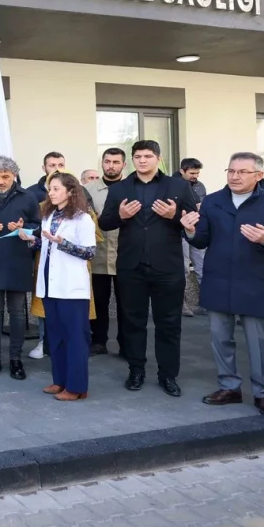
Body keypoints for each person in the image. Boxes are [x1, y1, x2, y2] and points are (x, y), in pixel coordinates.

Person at [181, 152, 264, 418]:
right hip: (218, 279)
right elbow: (202, 240)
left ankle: (262, 393)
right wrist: (190, 231)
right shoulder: (213, 201)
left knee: (259, 343)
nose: (235, 176)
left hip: (256, 282)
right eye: (231, 171)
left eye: (242, 172)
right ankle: (229, 386)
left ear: (259, 175)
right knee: (220, 339)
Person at [98, 140, 200, 397]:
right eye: (138, 156)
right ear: (132, 160)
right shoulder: (120, 188)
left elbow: (194, 222)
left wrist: (173, 216)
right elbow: (105, 222)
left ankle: (168, 375)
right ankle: (136, 370)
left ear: (158, 158)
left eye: (147, 156)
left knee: (169, 324)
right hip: (131, 266)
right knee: (133, 322)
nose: (142, 160)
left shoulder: (178, 186)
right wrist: (120, 216)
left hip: (167, 266)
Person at [30, 173, 96, 402]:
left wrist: (63, 243)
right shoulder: (48, 215)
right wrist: (31, 240)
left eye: (56, 189)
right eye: (50, 188)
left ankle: (77, 387)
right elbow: (45, 244)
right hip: (50, 284)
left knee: (75, 338)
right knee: (55, 336)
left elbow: (89, 252)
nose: (51, 192)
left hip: (71, 287)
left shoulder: (82, 219)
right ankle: (60, 381)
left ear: (70, 191)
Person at [0, 156, 40, 380]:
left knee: (17, 313)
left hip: (17, 261)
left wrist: (25, 228)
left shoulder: (28, 197)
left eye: (5, 177)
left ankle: (15, 358)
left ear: (14, 175)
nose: (1, 181)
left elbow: (38, 226)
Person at [84, 148, 127, 357]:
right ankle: (98, 341)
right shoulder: (87, 190)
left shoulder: (131, 187)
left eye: (116, 162)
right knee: (98, 302)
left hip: (124, 255)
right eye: (107, 161)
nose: (111, 166)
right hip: (97, 254)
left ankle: (126, 343)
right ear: (102, 163)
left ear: (123, 165)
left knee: (126, 303)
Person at [179, 158, 208, 317]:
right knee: (183, 268)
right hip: (180, 233)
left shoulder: (199, 186)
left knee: (202, 267)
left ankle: (207, 302)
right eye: (192, 173)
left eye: (197, 173)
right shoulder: (173, 185)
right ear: (182, 171)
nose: (195, 176)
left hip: (198, 231)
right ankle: (182, 303)